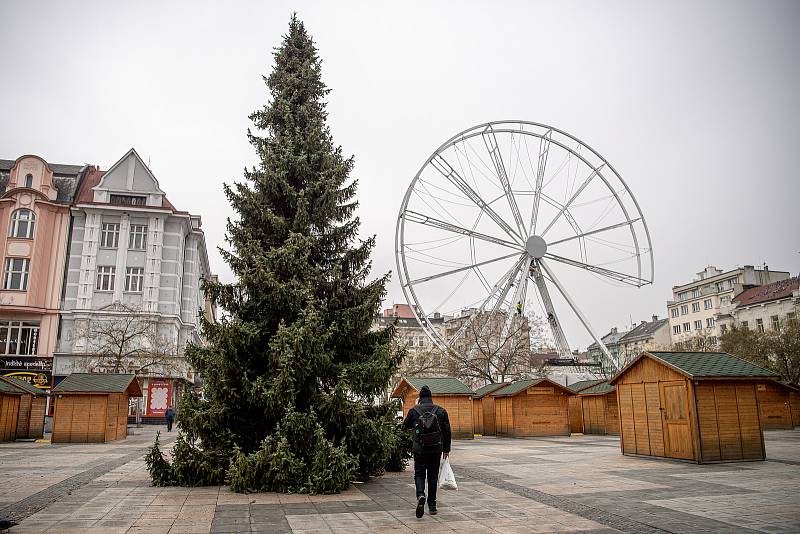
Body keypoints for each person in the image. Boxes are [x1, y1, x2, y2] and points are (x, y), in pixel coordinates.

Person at [402, 385, 451, 518]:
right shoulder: (441, 411)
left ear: (420, 398)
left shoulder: (414, 411)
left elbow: (404, 426)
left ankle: (420, 495)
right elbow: (447, 431)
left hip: (419, 449)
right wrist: (446, 450)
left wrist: (415, 408)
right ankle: (433, 506)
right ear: (431, 397)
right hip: (436, 449)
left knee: (419, 474)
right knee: (433, 476)